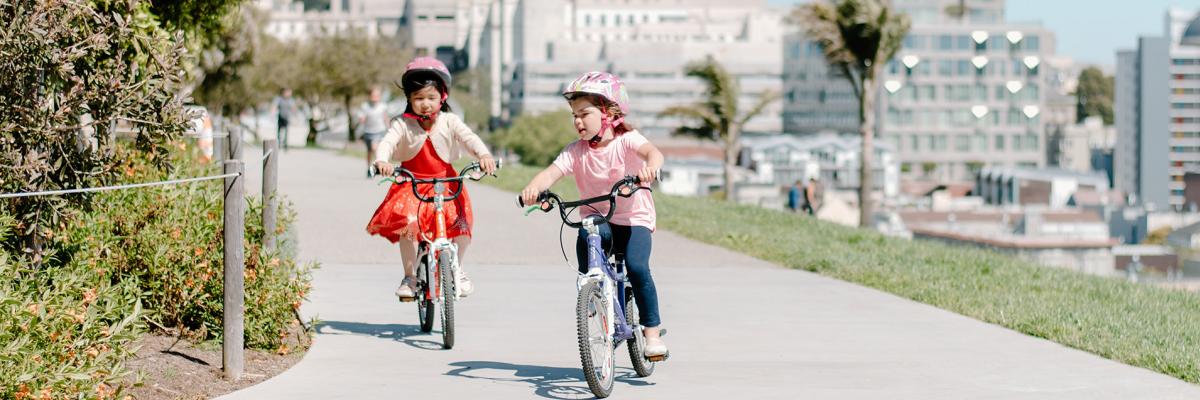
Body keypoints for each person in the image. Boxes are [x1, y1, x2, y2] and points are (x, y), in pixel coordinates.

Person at [519, 72, 669, 359]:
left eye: (584, 114)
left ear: (608, 114)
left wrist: (650, 167)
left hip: (633, 218)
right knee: (587, 235)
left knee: (637, 268)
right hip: (599, 218)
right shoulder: (575, 151)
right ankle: (593, 293)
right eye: (574, 115)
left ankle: (651, 333)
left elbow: (653, 153)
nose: (577, 121)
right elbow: (550, 174)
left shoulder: (626, 141)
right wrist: (533, 189)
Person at [366, 57, 496, 300]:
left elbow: (469, 138)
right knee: (408, 227)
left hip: (446, 184)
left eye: (431, 97)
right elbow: (387, 143)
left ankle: (458, 267)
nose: (425, 104)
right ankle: (410, 277)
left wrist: (484, 155)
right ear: (409, 100)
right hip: (411, 183)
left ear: (442, 96)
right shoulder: (401, 123)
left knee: (461, 227)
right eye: (418, 98)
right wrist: (382, 160)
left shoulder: (450, 120)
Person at [358, 86, 390, 177]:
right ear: (369, 96)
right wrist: (362, 119)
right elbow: (362, 117)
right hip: (368, 131)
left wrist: (389, 128)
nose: (375, 98)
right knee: (369, 152)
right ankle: (369, 168)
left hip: (379, 130)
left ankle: (377, 166)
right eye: (373, 96)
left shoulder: (383, 106)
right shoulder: (365, 106)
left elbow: (385, 118)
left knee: (375, 148)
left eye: (377, 96)